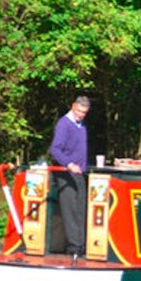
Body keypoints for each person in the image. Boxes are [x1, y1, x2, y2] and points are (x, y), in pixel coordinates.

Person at [48, 95, 91, 256]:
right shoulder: (64, 124)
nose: (81, 115)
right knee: (70, 209)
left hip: (79, 173)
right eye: (79, 111)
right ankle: (74, 246)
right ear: (73, 106)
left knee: (81, 208)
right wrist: (69, 164)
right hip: (66, 173)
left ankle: (81, 244)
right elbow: (55, 149)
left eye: (84, 113)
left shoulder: (82, 126)